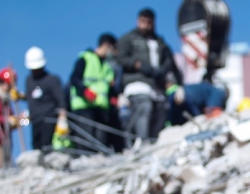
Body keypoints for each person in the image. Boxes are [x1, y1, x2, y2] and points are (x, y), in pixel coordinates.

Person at [116, 8, 184, 142]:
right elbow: (120, 58)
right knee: (144, 107)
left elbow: (171, 63)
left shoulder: (160, 43)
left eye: (149, 22)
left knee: (161, 112)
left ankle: (153, 143)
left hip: (156, 86)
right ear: (138, 21)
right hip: (137, 83)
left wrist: (179, 84)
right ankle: (142, 142)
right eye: (143, 21)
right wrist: (138, 65)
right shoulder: (128, 39)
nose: (145, 25)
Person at [69, 33, 117, 154]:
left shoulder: (107, 67)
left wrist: (113, 98)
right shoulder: (86, 58)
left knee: (100, 140)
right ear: (106, 46)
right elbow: (75, 78)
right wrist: (84, 91)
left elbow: (107, 87)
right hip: (84, 107)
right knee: (86, 138)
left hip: (101, 109)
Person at [24, 46, 66, 152]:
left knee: (48, 147)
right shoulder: (29, 81)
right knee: (36, 147)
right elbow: (31, 98)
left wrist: (62, 119)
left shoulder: (52, 80)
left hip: (49, 119)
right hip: (35, 120)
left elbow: (61, 100)